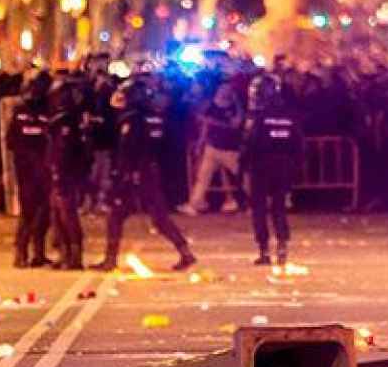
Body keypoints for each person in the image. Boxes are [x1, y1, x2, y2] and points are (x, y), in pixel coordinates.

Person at [93, 76, 197, 271]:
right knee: (158, 217)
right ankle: (185, 252)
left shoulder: (133, 119)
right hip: (148, 172)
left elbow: (129, 150)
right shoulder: (153, 116)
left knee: (117, 216)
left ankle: (110, 259)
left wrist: (123, 176)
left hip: (136, 175)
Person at [241, 73, 303, 266]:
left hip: (261, 167)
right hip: (283, 168)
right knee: (279, 208)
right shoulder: (290, 115)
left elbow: (250, 144)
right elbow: (298, 144)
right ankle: (282, 246)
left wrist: (242, 166)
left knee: (259, 209)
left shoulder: (259, 118)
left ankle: (264, 251)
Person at [7, 71, 53, 268]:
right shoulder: (46, 112)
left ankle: (31, 252)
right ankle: (25, 252)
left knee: (34, 212)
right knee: (36, 211)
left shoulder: (21, 112)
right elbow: (11, 140)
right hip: (35, 169)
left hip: (29, 168)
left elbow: (10, 141)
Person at [46, 77, 91, 270]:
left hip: (65, 172)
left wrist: (57, 170)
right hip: (64, 170)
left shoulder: (67, 120)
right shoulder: (70, 118)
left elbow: (62, 149)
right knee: (57, 214)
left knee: (67, 214)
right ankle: (65, 253)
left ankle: (74, 255)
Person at [185, 81, 245, 214]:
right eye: (222, 88)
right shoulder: (210, 105)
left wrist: (215, 122)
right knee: (203, 177)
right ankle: (195, 204)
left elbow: (236, 123)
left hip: (229, 148)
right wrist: (201, 143)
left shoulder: (235, 106)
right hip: (212, 148)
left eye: (228, 88)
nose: (224, 91)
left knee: (243, 175)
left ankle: (259, 200)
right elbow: (204, 126)